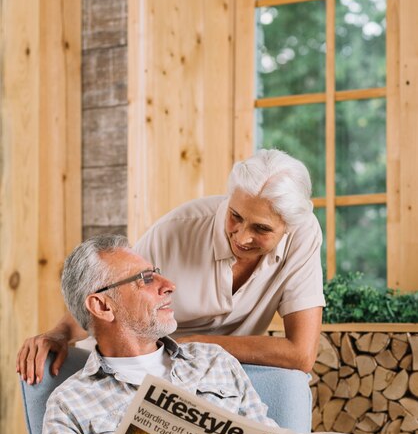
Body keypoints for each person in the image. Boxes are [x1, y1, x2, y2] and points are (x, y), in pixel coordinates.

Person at [31, 235, 370, 434]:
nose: (169, 286)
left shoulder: (214, 362)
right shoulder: (71, 400)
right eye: (146, 280)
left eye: (158, 274)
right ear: (102, 306)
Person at [17, 149, 324, 387]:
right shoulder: (179, 229)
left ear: (288, 226)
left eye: (261, 228)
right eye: (235, 216)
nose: (242, 236)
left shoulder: (304, 234)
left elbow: (300, 354)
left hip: (210, 369)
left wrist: (198, 346)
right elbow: (108, 292)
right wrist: (58, 333)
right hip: (139, 364)